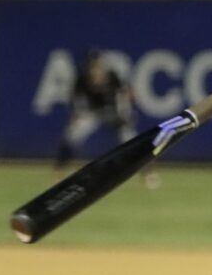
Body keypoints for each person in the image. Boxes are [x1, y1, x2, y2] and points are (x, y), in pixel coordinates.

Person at [54, 49, 159, 189]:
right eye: (93, 66)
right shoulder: (82, 78)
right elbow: (75, 100)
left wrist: (126, 115)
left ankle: (148, 174)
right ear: (89, 67)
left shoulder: (112, 77)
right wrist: (76, 115)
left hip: (112, 113)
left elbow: (124, 97)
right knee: (72, 134)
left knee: (131, 139)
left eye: (99, 66)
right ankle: (58, 171)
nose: (97, 70)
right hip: (91, 113)